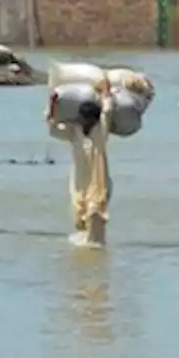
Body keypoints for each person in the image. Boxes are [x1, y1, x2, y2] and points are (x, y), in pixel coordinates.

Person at [48, 89, 115, 245]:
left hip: (100, 183)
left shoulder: (101, 129)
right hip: (79, 184)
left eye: (88, 119)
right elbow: (53, 128)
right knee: (81, 219)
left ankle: (97, 250)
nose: (84, 122)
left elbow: (108, 109)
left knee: (96, 214)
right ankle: (87, 247)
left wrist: (105, 90)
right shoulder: (74, 132)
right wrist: (52, 105)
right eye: (82, 119)